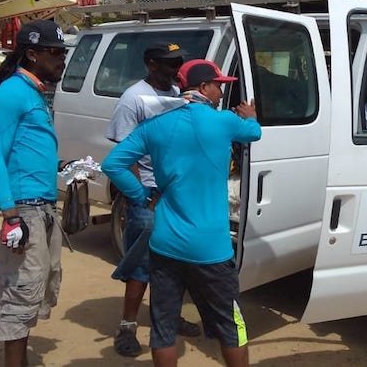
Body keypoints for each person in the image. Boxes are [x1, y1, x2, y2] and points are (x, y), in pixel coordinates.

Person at [102, 59, 261, 367]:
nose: (220, 93)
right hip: (211, 250)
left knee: (163, 329)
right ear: (202, 87)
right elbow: (253, 134)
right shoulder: (225, 122)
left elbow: (112, 164)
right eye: (218, 86)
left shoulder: (156, 126)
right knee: (233, 328)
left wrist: (142, 196)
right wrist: (252, 117)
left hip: (166, 245)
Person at [105, 42, 201, 357]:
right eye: (168, 63)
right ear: (150, 64)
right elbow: (124, 153)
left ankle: (170, 318)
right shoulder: (133, 99)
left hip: (176, 197)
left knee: (177, 265)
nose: (175, 69)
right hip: (149, 196)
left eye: (178, 62)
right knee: (141, 266)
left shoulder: (177, 92)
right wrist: (142, 196)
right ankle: (127, 327)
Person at [0, 20, 69, 367]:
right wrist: (10, 214)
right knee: (20, 296)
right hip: (25, 214)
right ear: (32, 54)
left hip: (41, 211)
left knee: (35, 290)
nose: (62, 60)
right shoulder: (12, 93)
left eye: (63, 53)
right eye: (55, 54)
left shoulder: (33, 92)